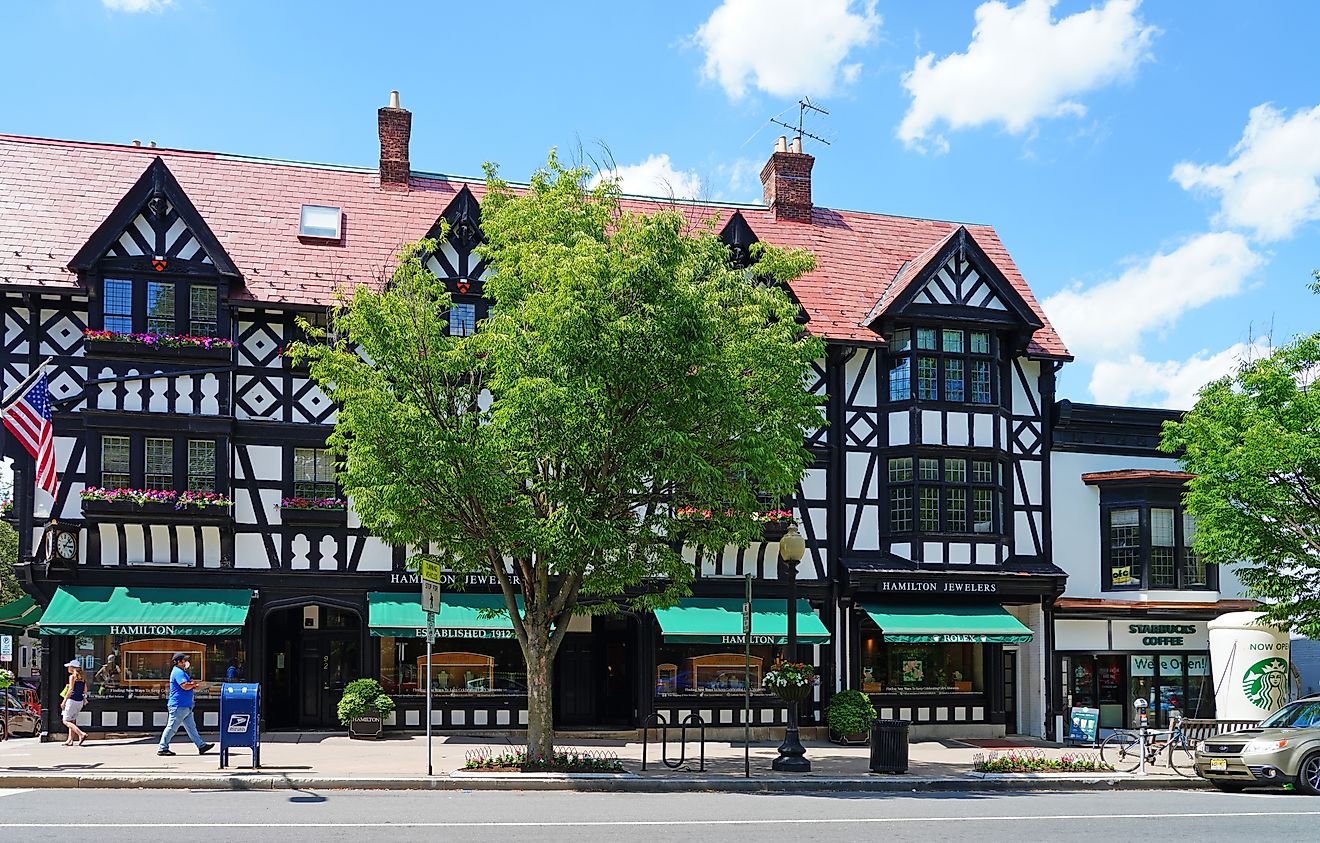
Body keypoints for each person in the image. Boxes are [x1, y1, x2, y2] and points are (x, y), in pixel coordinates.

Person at [157, 652, 214, 757]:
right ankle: (162, 748)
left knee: (192, 728)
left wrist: (192, 685)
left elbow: (187, 685)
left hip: (185, 705)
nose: (186, 662)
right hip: (179, 705)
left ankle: (201, 746)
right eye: (184, 660)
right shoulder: (178, 672)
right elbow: (184, 686)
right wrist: (193, 685)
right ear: (179, 662)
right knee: (172, 727)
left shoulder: (181, 672)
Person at [60, 660, 89, 747]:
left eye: (69, 667)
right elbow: (85, 690)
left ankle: (81, 734)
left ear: (73, 668)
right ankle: (70, 740)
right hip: (79, 701)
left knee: (65, 721)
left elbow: (71, 690)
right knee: (72, 720)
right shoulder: (83, 678)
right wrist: (84, 699)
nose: (68, 668)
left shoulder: (72, 677)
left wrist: (64, 701)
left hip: (72, 700)